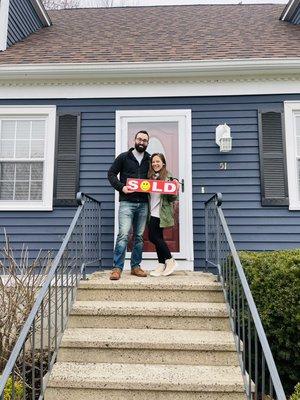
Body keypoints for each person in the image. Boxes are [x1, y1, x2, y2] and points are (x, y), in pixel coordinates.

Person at [108, 130, 150, 280]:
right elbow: (111, 174)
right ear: (134, 140)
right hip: (127, 202)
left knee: (138, 237)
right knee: (123, 235)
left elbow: (161, 172)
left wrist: (174, 180)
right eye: (139, 139)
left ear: (147, 143)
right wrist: (122, 187)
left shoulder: (150, 159)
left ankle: (135, 267)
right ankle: (117, 268)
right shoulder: (124, 157)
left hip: (143, 203)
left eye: (145, 140)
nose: (141, 142)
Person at [148, 153, 179, 277]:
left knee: (153, 237)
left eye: (158, 162)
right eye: (153, 162)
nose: (155, 164)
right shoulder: (150, 176)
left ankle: (170, 260)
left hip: (161, 211)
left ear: (163, 163)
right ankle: (161, 264)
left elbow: (173, 198)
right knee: (157, 237)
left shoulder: (168, 176)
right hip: (151, 211)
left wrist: (174, 187)